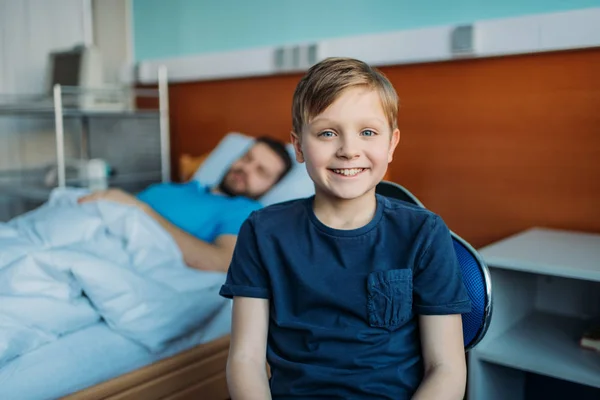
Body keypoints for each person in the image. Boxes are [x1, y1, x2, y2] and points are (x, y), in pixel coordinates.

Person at [219, 58, 472, 399]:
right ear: (299, 147)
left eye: (367, 132)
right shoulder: (262, 232)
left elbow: (447, 368)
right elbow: (245, 359)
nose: (349, 150)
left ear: (391, 144)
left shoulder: (424, 233)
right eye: (327, 133)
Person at [78, 136, 293, 273]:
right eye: (247, 158)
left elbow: (220, 262)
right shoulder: (174, 188)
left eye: (261, 171)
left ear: (270, 187)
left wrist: (141, 210)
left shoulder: (244, 211)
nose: (246, 169)